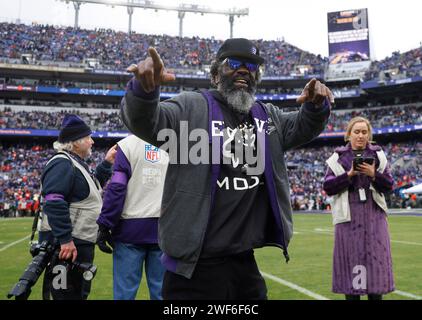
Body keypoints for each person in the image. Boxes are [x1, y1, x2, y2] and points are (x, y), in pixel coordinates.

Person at [122, 38, 334, 299]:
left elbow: (303, 125)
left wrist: (316, 107)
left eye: (252, 66)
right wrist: (143, 93)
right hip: (193, 270)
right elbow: (145, 121)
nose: (244, 70)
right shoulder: (190, 108)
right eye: (234, 63)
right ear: (214, 74)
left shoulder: (267, 117)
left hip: (244, 264)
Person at [39, 114, 116, 300]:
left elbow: (88, 189)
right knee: (66, 295)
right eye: (88, 138)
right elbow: (54, 201)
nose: (92, 141)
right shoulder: (62, 163)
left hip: (77, 242)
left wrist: (106, 163)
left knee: (77, 293)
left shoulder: (73, 162)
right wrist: (65, 239)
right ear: (75, 143)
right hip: (67, 245)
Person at [322, 116, 395, 300]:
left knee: (375, 276)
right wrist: (350, 174)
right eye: (356, 132)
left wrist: (374, 174)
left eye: (364, 132)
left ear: (369, 134)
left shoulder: (378, 155)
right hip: (349, 220)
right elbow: (328, 187)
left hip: (374, 219)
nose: (360, 136)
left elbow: (389, 186)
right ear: (348, 135)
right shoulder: (337, 158)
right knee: (352, 275)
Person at [96, 135, 168, 300]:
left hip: (130, 230)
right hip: (163, 229)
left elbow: (117, 187)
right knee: (162, 293)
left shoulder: (127, 145)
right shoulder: (174, 144)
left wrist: (105, 224)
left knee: (124, 294)